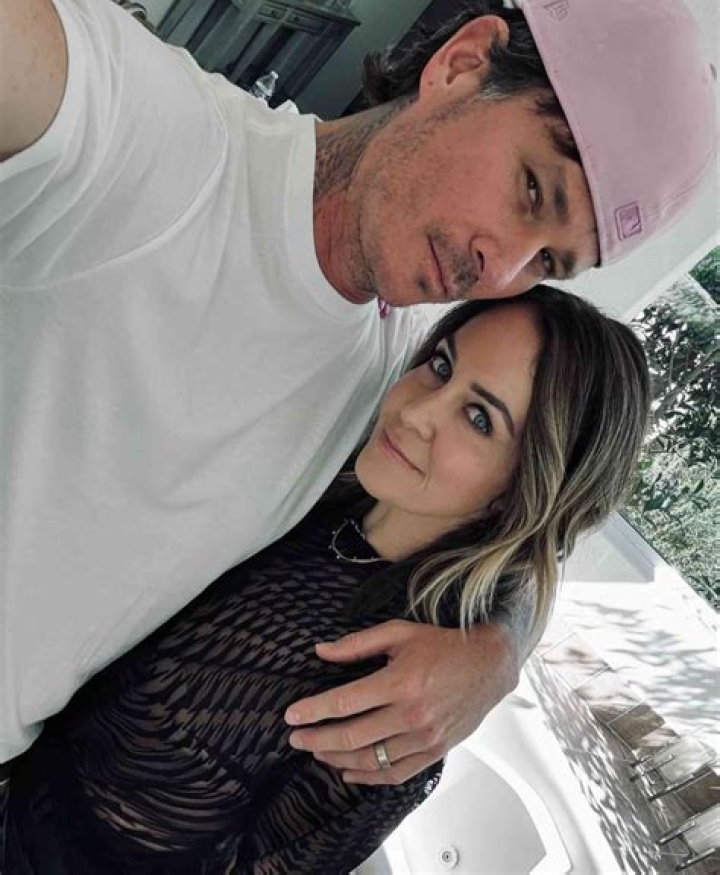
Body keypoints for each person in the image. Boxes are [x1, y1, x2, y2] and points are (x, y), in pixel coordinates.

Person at [0, 0, 714, 805]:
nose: (500, 272)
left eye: (549, 262)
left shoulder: (405, 369)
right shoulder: (153, 135)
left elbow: (531, 509)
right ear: (462, 64)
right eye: (530, 190)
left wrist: (498, 654)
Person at [4, 287, 651, 874]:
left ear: (522, 492)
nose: (417, 410)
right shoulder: (320, 472)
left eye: (479, 418)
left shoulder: (400, 701)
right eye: (442, 366)